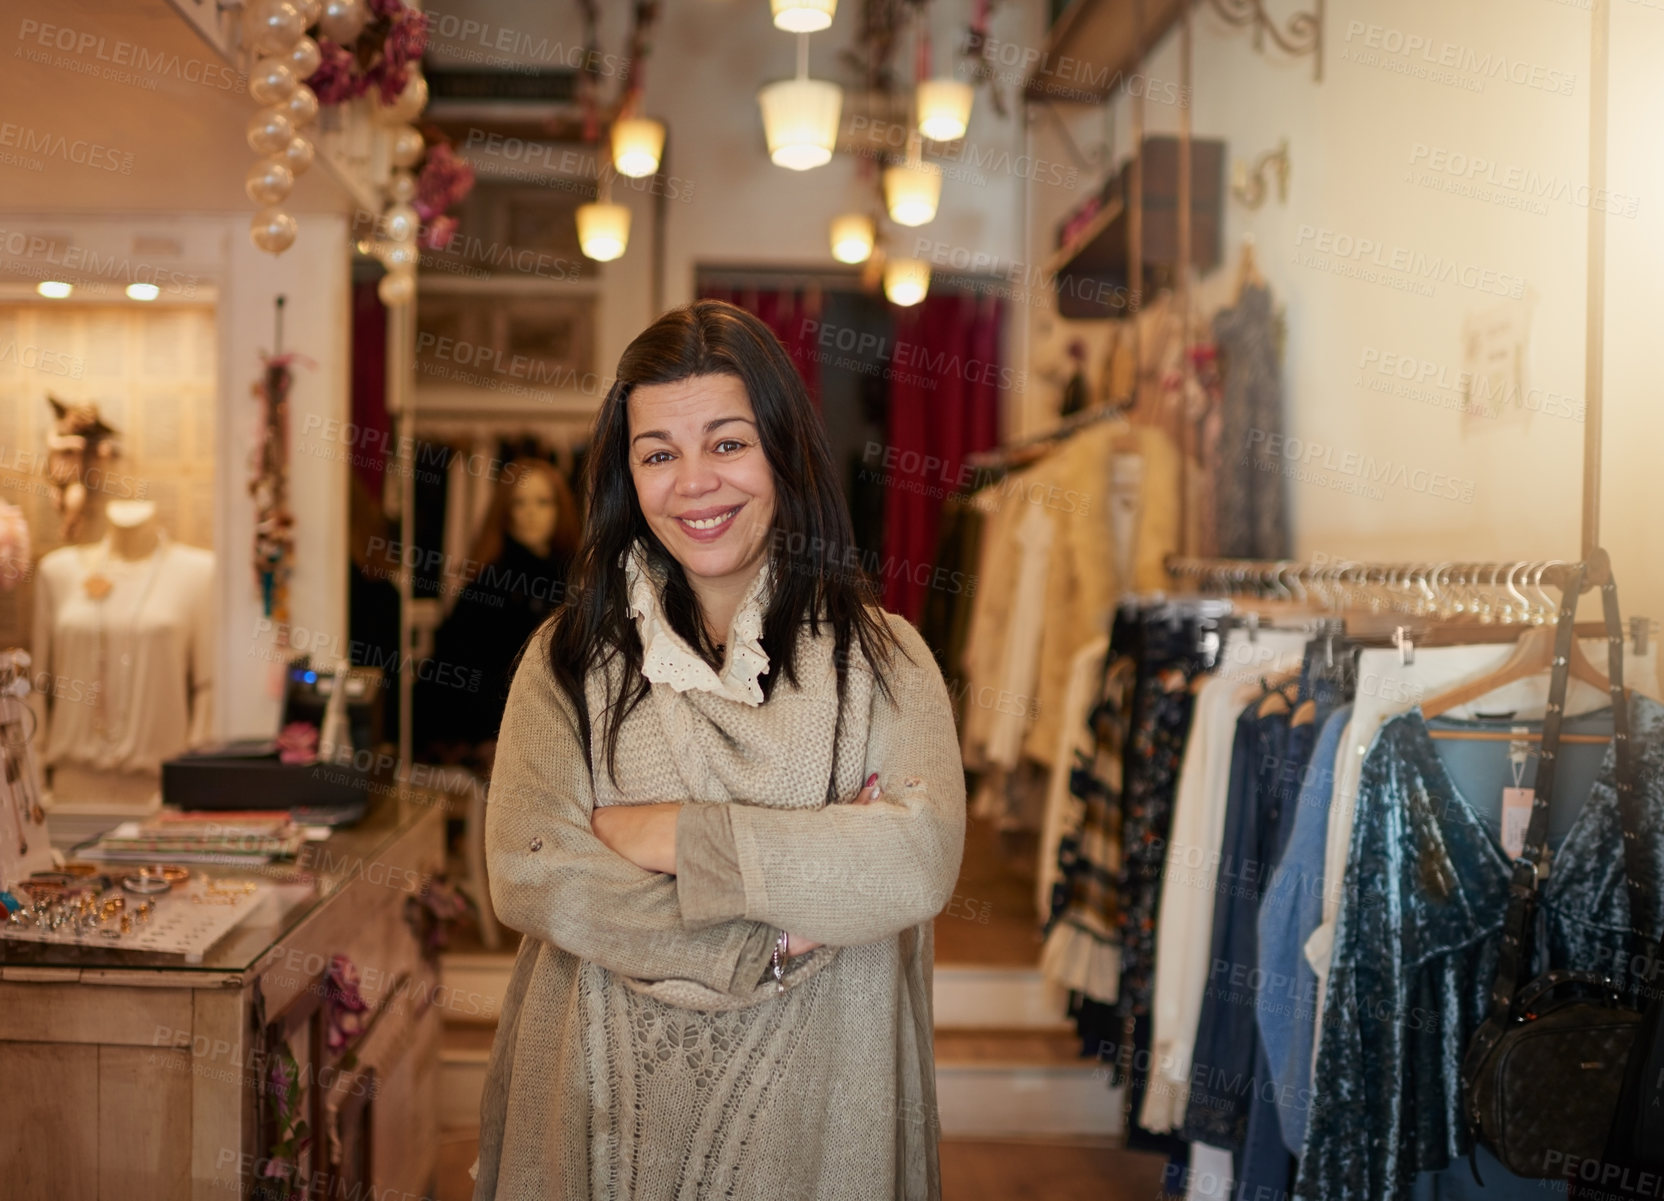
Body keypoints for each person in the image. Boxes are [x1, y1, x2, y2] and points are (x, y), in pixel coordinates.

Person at [474, 300, 966, 1200]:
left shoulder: (886, 660)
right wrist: (774, 930)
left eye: (728, 443)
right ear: (628, 475)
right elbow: (531, 867)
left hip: (819, 1108)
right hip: (598, 1097)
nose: (694, 482)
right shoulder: (566, 657)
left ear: (784, 450)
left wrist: (670, 835)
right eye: (659, 453)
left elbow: (917, 857)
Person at [418, 458, 580, 769]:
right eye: (519, 503)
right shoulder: (487, 588)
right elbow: (459, 675)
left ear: (560, 509)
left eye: (543, 502)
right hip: (502, 744)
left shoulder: (576, 581)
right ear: (505, 512)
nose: (531, 513)